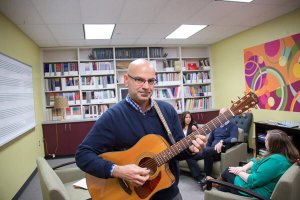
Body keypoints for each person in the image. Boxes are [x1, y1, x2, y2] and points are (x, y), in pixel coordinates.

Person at [75, 59, 207, 200]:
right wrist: (118, 171)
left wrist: (191, 149)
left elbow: (177, 150)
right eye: (139, 80)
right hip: (132, 195)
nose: (146, 86)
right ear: (126, 80)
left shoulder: (167, 111)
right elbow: (83, 155)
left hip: (168, 191)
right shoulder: (113, 117)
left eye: (151, 81)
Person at [216, 129, 300, 199]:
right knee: (225, 186)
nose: (264, 141)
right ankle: (215, 187)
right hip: (259, 185)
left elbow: (252, 180)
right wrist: (243, 168)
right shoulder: (283, 154)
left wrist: (238, 171)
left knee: (227, 171)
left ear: (274, 144)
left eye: (266, 140)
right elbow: (257, 160)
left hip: (256, 192)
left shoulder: (276, 161)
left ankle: (212, 184)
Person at [185, 108, 239, 188]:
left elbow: (234, 139)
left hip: (221, 150)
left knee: (207, 150)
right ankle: (200, 178)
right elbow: (209, 141)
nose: (221, 116)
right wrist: (204, 148)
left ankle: (208, 178)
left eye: (223, 114)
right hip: (209, 151)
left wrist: (222, 142)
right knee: (189, 155)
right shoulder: (216, 126)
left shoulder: (232, 126)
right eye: (220, 114)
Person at [180, 111, 204, 183]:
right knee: (187, 157)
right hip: (182, 150)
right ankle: (200, 178)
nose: (188, 119)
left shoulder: (193, 126)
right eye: (186, 117)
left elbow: (198, 137)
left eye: (189, 117)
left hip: (193, 150)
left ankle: (200, 178)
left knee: (189, 158)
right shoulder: (180, 127)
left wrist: (196, 131)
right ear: (183, 118)